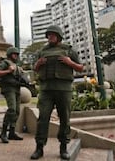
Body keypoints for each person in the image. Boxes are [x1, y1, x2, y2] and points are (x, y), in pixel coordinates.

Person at [30, 25, 83, 160]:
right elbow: (34, 69)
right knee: (43, 118)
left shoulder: (68, 50)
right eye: (48, 35)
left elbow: (80, 68)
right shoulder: (42, 51)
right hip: (46, 89)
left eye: (53, 35)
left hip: (63, 89)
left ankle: (63, 147)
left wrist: (69, 62)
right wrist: (39, 63)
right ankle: (39, 148)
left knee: (64, 119)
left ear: (59, 36)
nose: (50, 37)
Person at [0, 47, 25, 143]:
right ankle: (3, 133)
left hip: (17, 88)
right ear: (10, 55)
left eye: (17, 54)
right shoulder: (5, 63)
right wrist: (8, 71)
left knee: (17, 111)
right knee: (12, 109)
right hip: (8, 88)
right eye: (14, 54)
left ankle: (12, 132)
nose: (16, 56)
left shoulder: (16, 65)